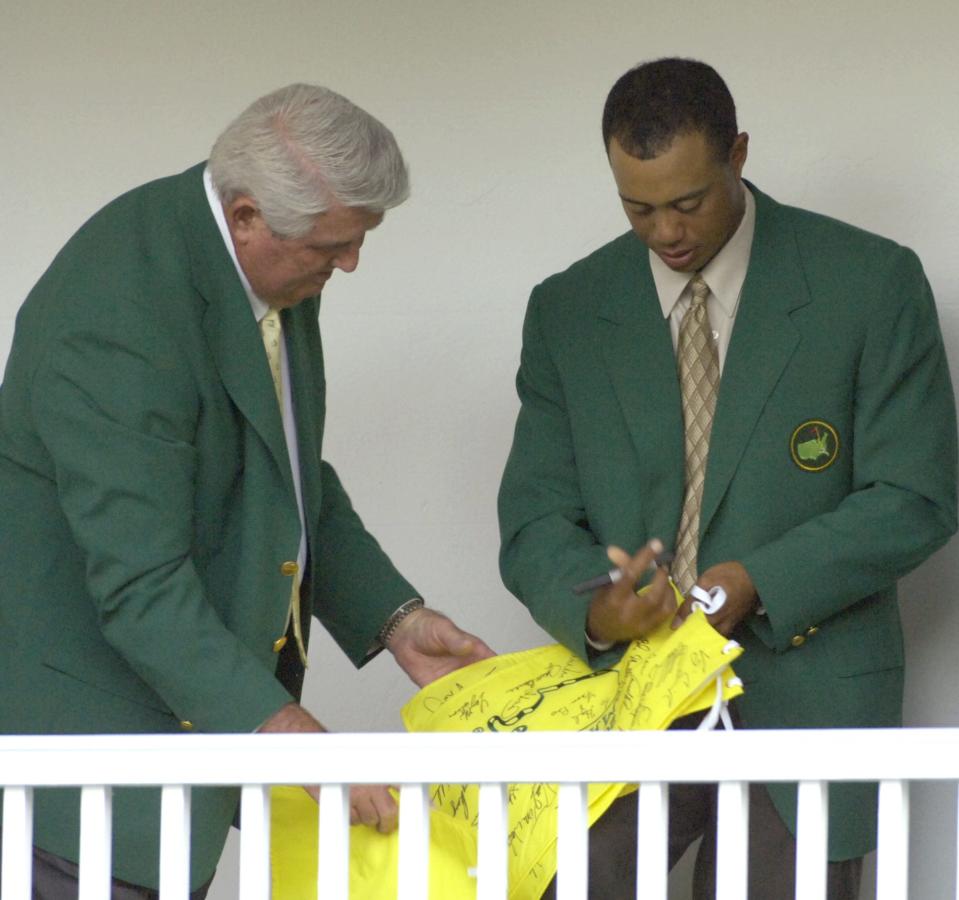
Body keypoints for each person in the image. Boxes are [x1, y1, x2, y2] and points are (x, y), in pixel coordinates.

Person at [0, 83, 493, 898]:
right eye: (332, 246)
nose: (351, 263)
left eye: (359, 240)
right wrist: (287, 731)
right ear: (245, 215)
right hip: (79, 777)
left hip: (168, 748)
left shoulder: (266, 266)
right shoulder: (116, 318)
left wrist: (396, 619)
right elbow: (140, 587)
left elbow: (284, 470)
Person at [498, 57, 957, 898]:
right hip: (627, 695)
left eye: (687, 202)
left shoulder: (870, 282)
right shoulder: (566, 308)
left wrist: (760, 579)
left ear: (738, 153)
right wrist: (597, 608)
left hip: (809, 695)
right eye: (636, 208)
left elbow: (916, 496)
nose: (664, 232)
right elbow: (533, 520)